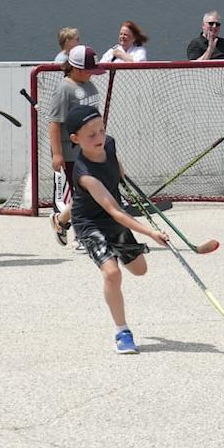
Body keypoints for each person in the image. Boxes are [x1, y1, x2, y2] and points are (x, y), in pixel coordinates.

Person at [64, 104, 170, 354]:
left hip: (112, 219)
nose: (99, 137)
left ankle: (60, 218)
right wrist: (151, 233)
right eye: (91, 135)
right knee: (112, 274)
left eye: (101, 130)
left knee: (140, 270)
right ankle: (122, 332)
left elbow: (116, 163)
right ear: (75, 139)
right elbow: (115, 211)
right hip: (90, 222)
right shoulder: (85, 173)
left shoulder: (109, 143)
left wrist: (120, 172)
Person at [48, 45, 106, 247]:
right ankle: (83, 235)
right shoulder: (65, 89)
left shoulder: (90, 85)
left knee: (89, 192)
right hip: (71, 151)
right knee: (83, 194)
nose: (93, 73)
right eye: (89, 69)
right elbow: (54, 122)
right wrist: (57, 154)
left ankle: (61, 220)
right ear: (77, 68)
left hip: (90, 148)